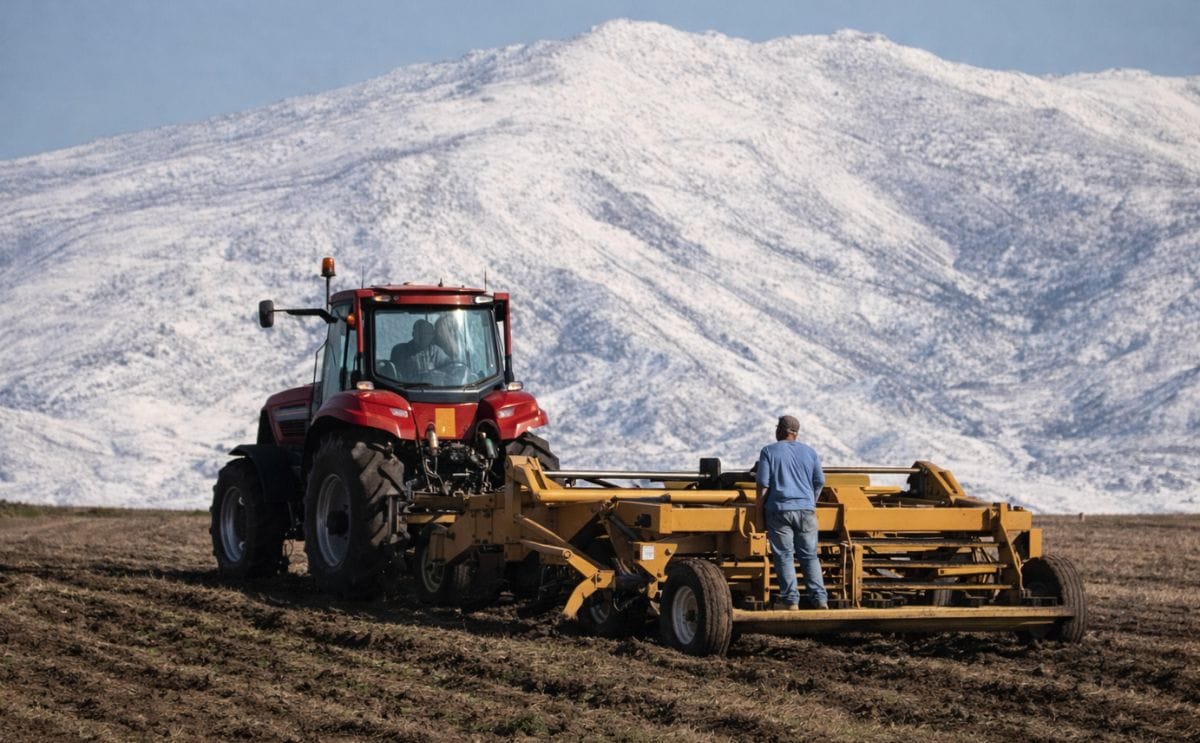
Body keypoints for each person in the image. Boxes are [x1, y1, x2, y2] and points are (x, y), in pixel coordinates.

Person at [756, 414, 828, 610]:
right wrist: (810, 501)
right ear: (796, 432)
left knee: (784, 556)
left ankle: (791, 601)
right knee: (809, 555)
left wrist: (759, 508)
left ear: (780, 430)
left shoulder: (769, 451)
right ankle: (820, 600)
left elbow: (763, 483)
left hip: (779, 510)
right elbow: (820, 481)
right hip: (806, 510)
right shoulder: (810, 452)